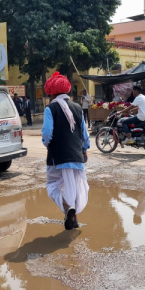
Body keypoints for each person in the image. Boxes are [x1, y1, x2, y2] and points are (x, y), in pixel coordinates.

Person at [42, 72, 90, 230]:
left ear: (52, 93)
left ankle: (66, 207)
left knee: (52, 186)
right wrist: (84, 150)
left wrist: (48, 144)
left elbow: (47, 133)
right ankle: (74, 218)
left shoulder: (51, 108)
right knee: (75, 187)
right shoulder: (77, 108)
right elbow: (84, 134)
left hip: (57, 158)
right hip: (76, 156)